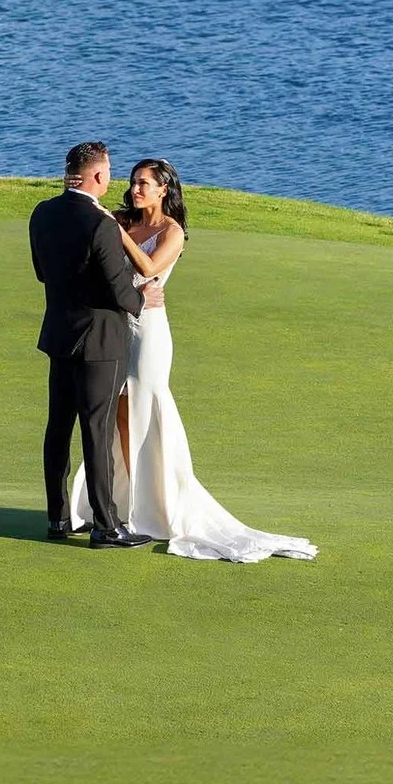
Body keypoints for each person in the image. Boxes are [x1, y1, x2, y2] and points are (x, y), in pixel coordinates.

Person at [65, 158, 318, 563]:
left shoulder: (172, 231)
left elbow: (148, 268)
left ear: (164, 189)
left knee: (148, 409)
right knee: (120, 415)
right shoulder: (121, 219)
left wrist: (115, 231)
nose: (135, 189)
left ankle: (160, 506)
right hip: (117, 327)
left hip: (148, 333)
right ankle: (123, 506)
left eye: (144, 183)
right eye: (132, 182)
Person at [30, 141, 154, 548]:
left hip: (60, 337)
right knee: (97, 432)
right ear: (98, 175)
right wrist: (143, 299)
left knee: (58, 428)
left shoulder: (43, 213)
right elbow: (121, 292)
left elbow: (41, 273)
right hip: (100, 341)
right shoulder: (100, 225)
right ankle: (106, 526)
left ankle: (57, 519)